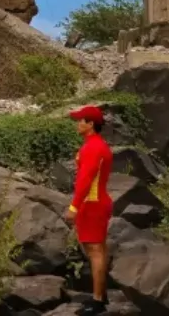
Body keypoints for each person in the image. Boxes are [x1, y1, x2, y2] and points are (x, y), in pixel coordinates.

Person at [67, 105, 114, 315]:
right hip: (98, 201)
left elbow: (85, 180)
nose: (78, 124)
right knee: (100, 250)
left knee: (95, 252)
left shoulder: (93, 148)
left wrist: (74, 206)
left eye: (81, 121)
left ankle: (97, 301)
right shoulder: (97, 145)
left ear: (91, 124)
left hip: (92, 204)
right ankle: (101, 295)